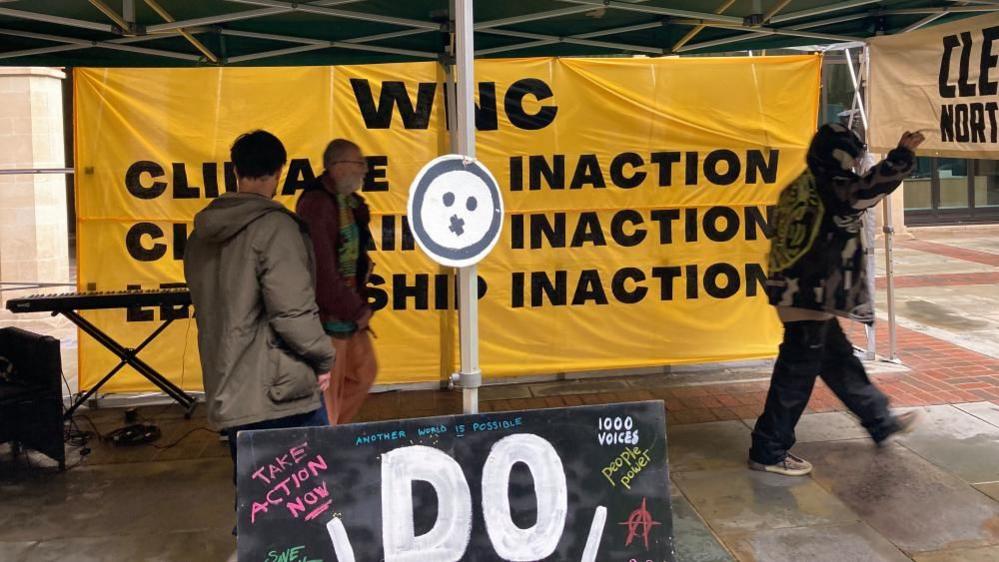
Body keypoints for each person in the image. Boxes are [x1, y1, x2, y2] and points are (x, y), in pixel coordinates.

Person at [749, 124, 926, 476]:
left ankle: (879, 420)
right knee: (796, 372)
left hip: (797, 293)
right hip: (810, 296)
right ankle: (768, 448)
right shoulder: (830, 184)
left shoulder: (800, 183)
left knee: (839, 361)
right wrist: (902, 157)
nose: (856, 164)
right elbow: (868, 188)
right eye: (852, 156)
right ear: (840, 155)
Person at [183, 130, 334, 488]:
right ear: (280, 171)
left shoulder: (202, 234)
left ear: (235, 169)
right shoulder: (276, 229)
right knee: (307, 501)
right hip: (280, 392)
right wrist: (323, 358)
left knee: (255, 501)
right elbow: (292, 312)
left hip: (229, 386)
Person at [296, 139, 377, 426]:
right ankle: (325, 444)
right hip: (327, 316)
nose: (365, 170)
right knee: (330, 388)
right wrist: (355, 309)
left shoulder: (348, 203)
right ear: (338, 167)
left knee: (364, 372)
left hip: (348, 312)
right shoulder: (316, 204)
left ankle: (332, 433)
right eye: (359, 164)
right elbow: (322, 273)